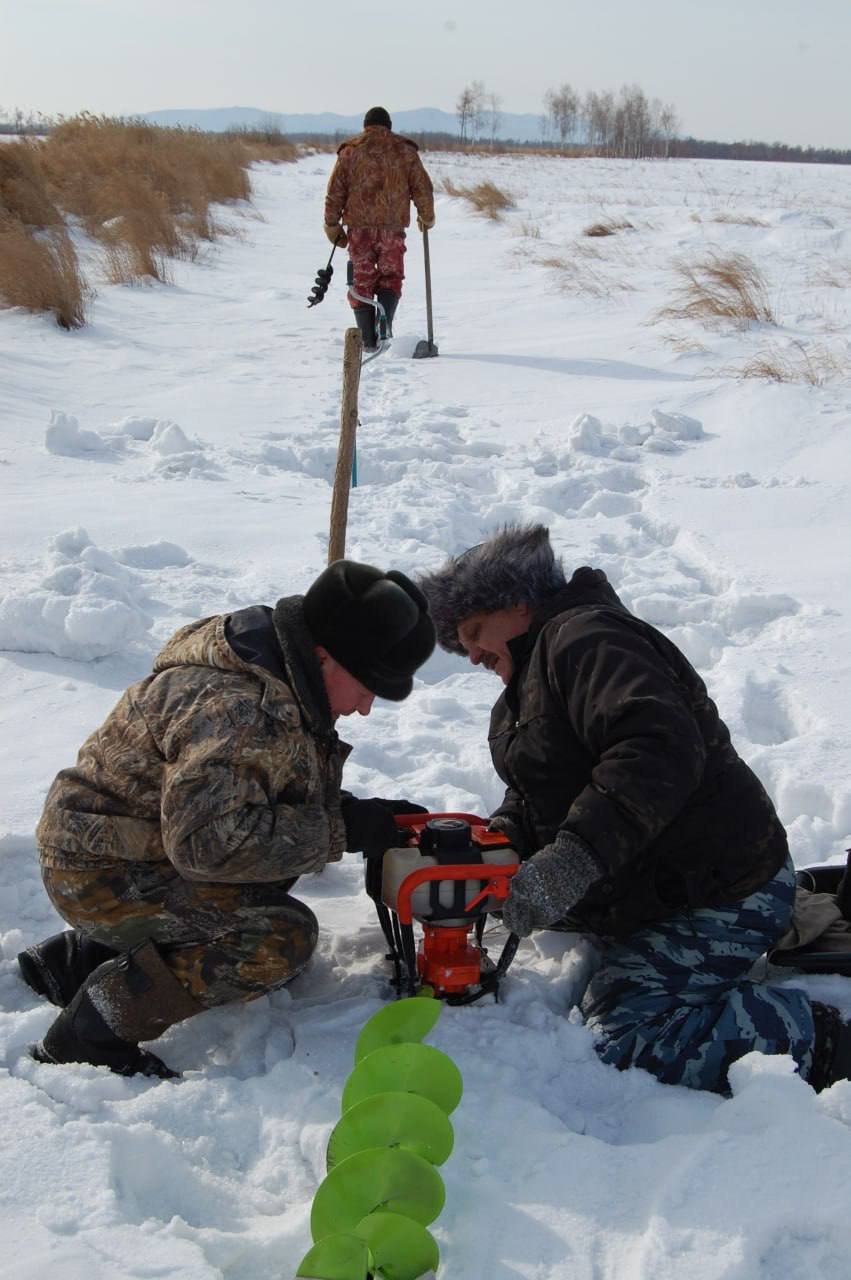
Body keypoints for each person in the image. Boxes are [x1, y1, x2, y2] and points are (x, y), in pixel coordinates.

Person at [418, 524, 851, 1094]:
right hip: (655, 885)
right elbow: (535, 795)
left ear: (516, 603)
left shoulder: (586, 640)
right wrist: (501, 846)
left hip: (720, 886)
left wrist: (570, 861)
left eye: (473, 632)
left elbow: (657, 748)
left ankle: (821, 1037)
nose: (470, 654)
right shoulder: (531, 682)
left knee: (628, 1029)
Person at [19, 560, 435, 1078]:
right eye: (368, 685)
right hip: (101, 872)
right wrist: (341, 829)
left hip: (123, 853)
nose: (367, 707)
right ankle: (94, 1031)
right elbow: (208, 847)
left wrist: (347, 813)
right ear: (327, 657)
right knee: (278, 939)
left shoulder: (275, 671)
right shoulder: (239, 709)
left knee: (275, 868)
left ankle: (78, 958)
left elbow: (256, 788)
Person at [323, 105, 435, 351]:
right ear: (389, 127)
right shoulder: (405, 151)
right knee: (391, 276)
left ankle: (367, 338)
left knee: (360, 280)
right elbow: (422, 187)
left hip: (359, 228)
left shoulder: (350, 151)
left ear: (365, 126)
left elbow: (335, 191)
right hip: (392, 228)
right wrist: (426, 215)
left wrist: (332, 223)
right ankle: (384, 326)